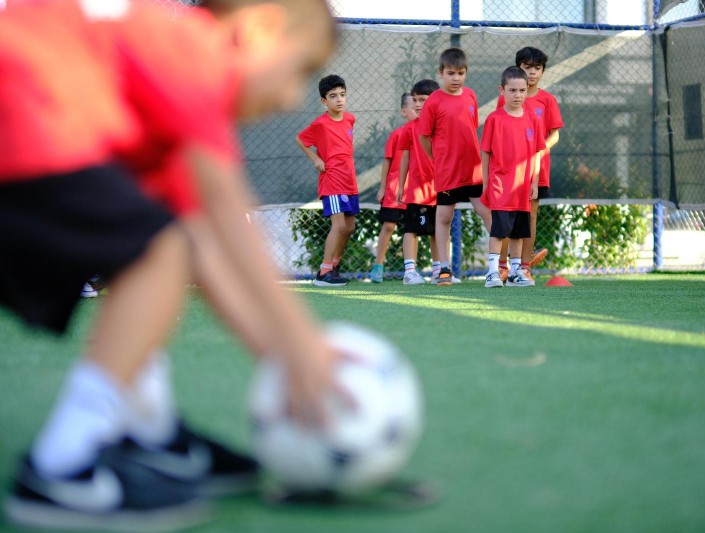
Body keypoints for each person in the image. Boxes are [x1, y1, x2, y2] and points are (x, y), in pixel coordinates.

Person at [1, 0, 341, 530]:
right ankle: (61, 467)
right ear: (259, 28)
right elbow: (225, 205)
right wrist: (301, 341)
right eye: (300, 69)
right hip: (19, 115)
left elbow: (203, 248)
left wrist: (279, 358)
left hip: (29, 123)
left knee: (158, 243)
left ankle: (148, 433)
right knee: (157, 247)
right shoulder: (189, 50)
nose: (292, 97)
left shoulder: (151, 108)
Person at [417, 48, 491, 286]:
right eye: (451, 73)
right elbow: (424, 136)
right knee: (444, 217)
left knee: (486, 212)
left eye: (460, 73)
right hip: (448, 172)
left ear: (466, 73)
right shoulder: (433, 101)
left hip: (473, 170)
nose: (456, 78)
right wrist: (437, 159)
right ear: (441, 73)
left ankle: (500, 266)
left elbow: (471, 127)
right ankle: (443, 269)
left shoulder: (470, 95)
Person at [497, 46, 564, 282]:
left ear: (543, 71)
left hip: (537, 171)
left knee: (530, 217)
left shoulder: (547, 100)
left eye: (537, 68)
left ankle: (524, 266)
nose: (532, 72)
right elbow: (498, 129)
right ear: (518, 68)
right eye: (527, 67)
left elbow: (554, 135)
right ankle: (502, 266)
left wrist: (536, 150)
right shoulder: (506, 98)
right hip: (508, 172)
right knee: (505, 216)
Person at [481, 67, 544, 288]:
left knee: (518, 232)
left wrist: (534, 182)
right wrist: (486, 182)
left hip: (522, 188)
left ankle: (516, 272)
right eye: (513, 90)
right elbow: (485, 152)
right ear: (502, 90)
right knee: (499, 231)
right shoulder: (494, 119)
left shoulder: (532, 119)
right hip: (500, 186)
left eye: (522, 90)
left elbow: (537, 153)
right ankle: (492, 272)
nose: (518, 95)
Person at [296, 75, 358, 287]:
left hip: (349, 181)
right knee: (338, 225)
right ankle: (323, 273)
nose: (339, 99)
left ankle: (334, 265)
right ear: (324, 101)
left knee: (349, 227)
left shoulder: (350, 119)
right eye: (333, 96)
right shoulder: (320, 124)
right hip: (332, 180)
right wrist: (316, 159)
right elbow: (300, 139)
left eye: (342, 95)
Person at [396, 80, 444, 285]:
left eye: (422, 100)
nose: (417, 104)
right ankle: (409, 272)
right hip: (417, 190)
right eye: (415, 100)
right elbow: (404, 158)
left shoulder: (443, 126)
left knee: (438, 230)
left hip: (441, 188)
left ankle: (439, 270)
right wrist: (401, 185)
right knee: (411, 230)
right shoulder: (409, 128)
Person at [369, 93, 416, 283]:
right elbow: (387, 161)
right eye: (414, 105)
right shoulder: (396, 134)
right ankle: (378, 266)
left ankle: (411, 270)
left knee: (413, 230)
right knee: (388, 226)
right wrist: (383, 187)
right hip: (395, 189)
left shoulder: (426, 134)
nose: (418, 108)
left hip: (416, 190)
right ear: (404, 111)